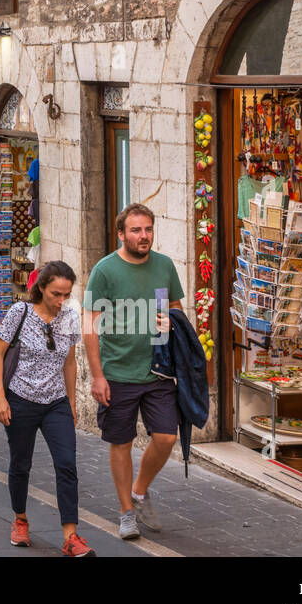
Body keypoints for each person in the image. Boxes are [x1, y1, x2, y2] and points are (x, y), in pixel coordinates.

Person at [82, 202, 184, 541]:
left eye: (148, 229)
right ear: (122, 234)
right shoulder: (105, 271)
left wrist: (172, 322)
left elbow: (176, 312)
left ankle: (140, 490)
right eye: (137, 230)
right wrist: (98, 376)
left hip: (158, 372)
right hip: (118, 373)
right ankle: (127, 512)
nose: (144, 236)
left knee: (167, 436)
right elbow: (90, 327)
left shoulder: (165, 266)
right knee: (121, 443)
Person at [0, 261, 95, 557]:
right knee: (20, 463)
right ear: (41, 288)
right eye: (55, 294)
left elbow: (70, 361)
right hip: (21, 399)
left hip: (55, 403)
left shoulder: (70, 317)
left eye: (66, 294)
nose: (61, 300)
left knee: (66, 464)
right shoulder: (19, 313)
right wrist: (1, 398)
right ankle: (20, 519)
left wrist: (72, 403)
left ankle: (70, 536)